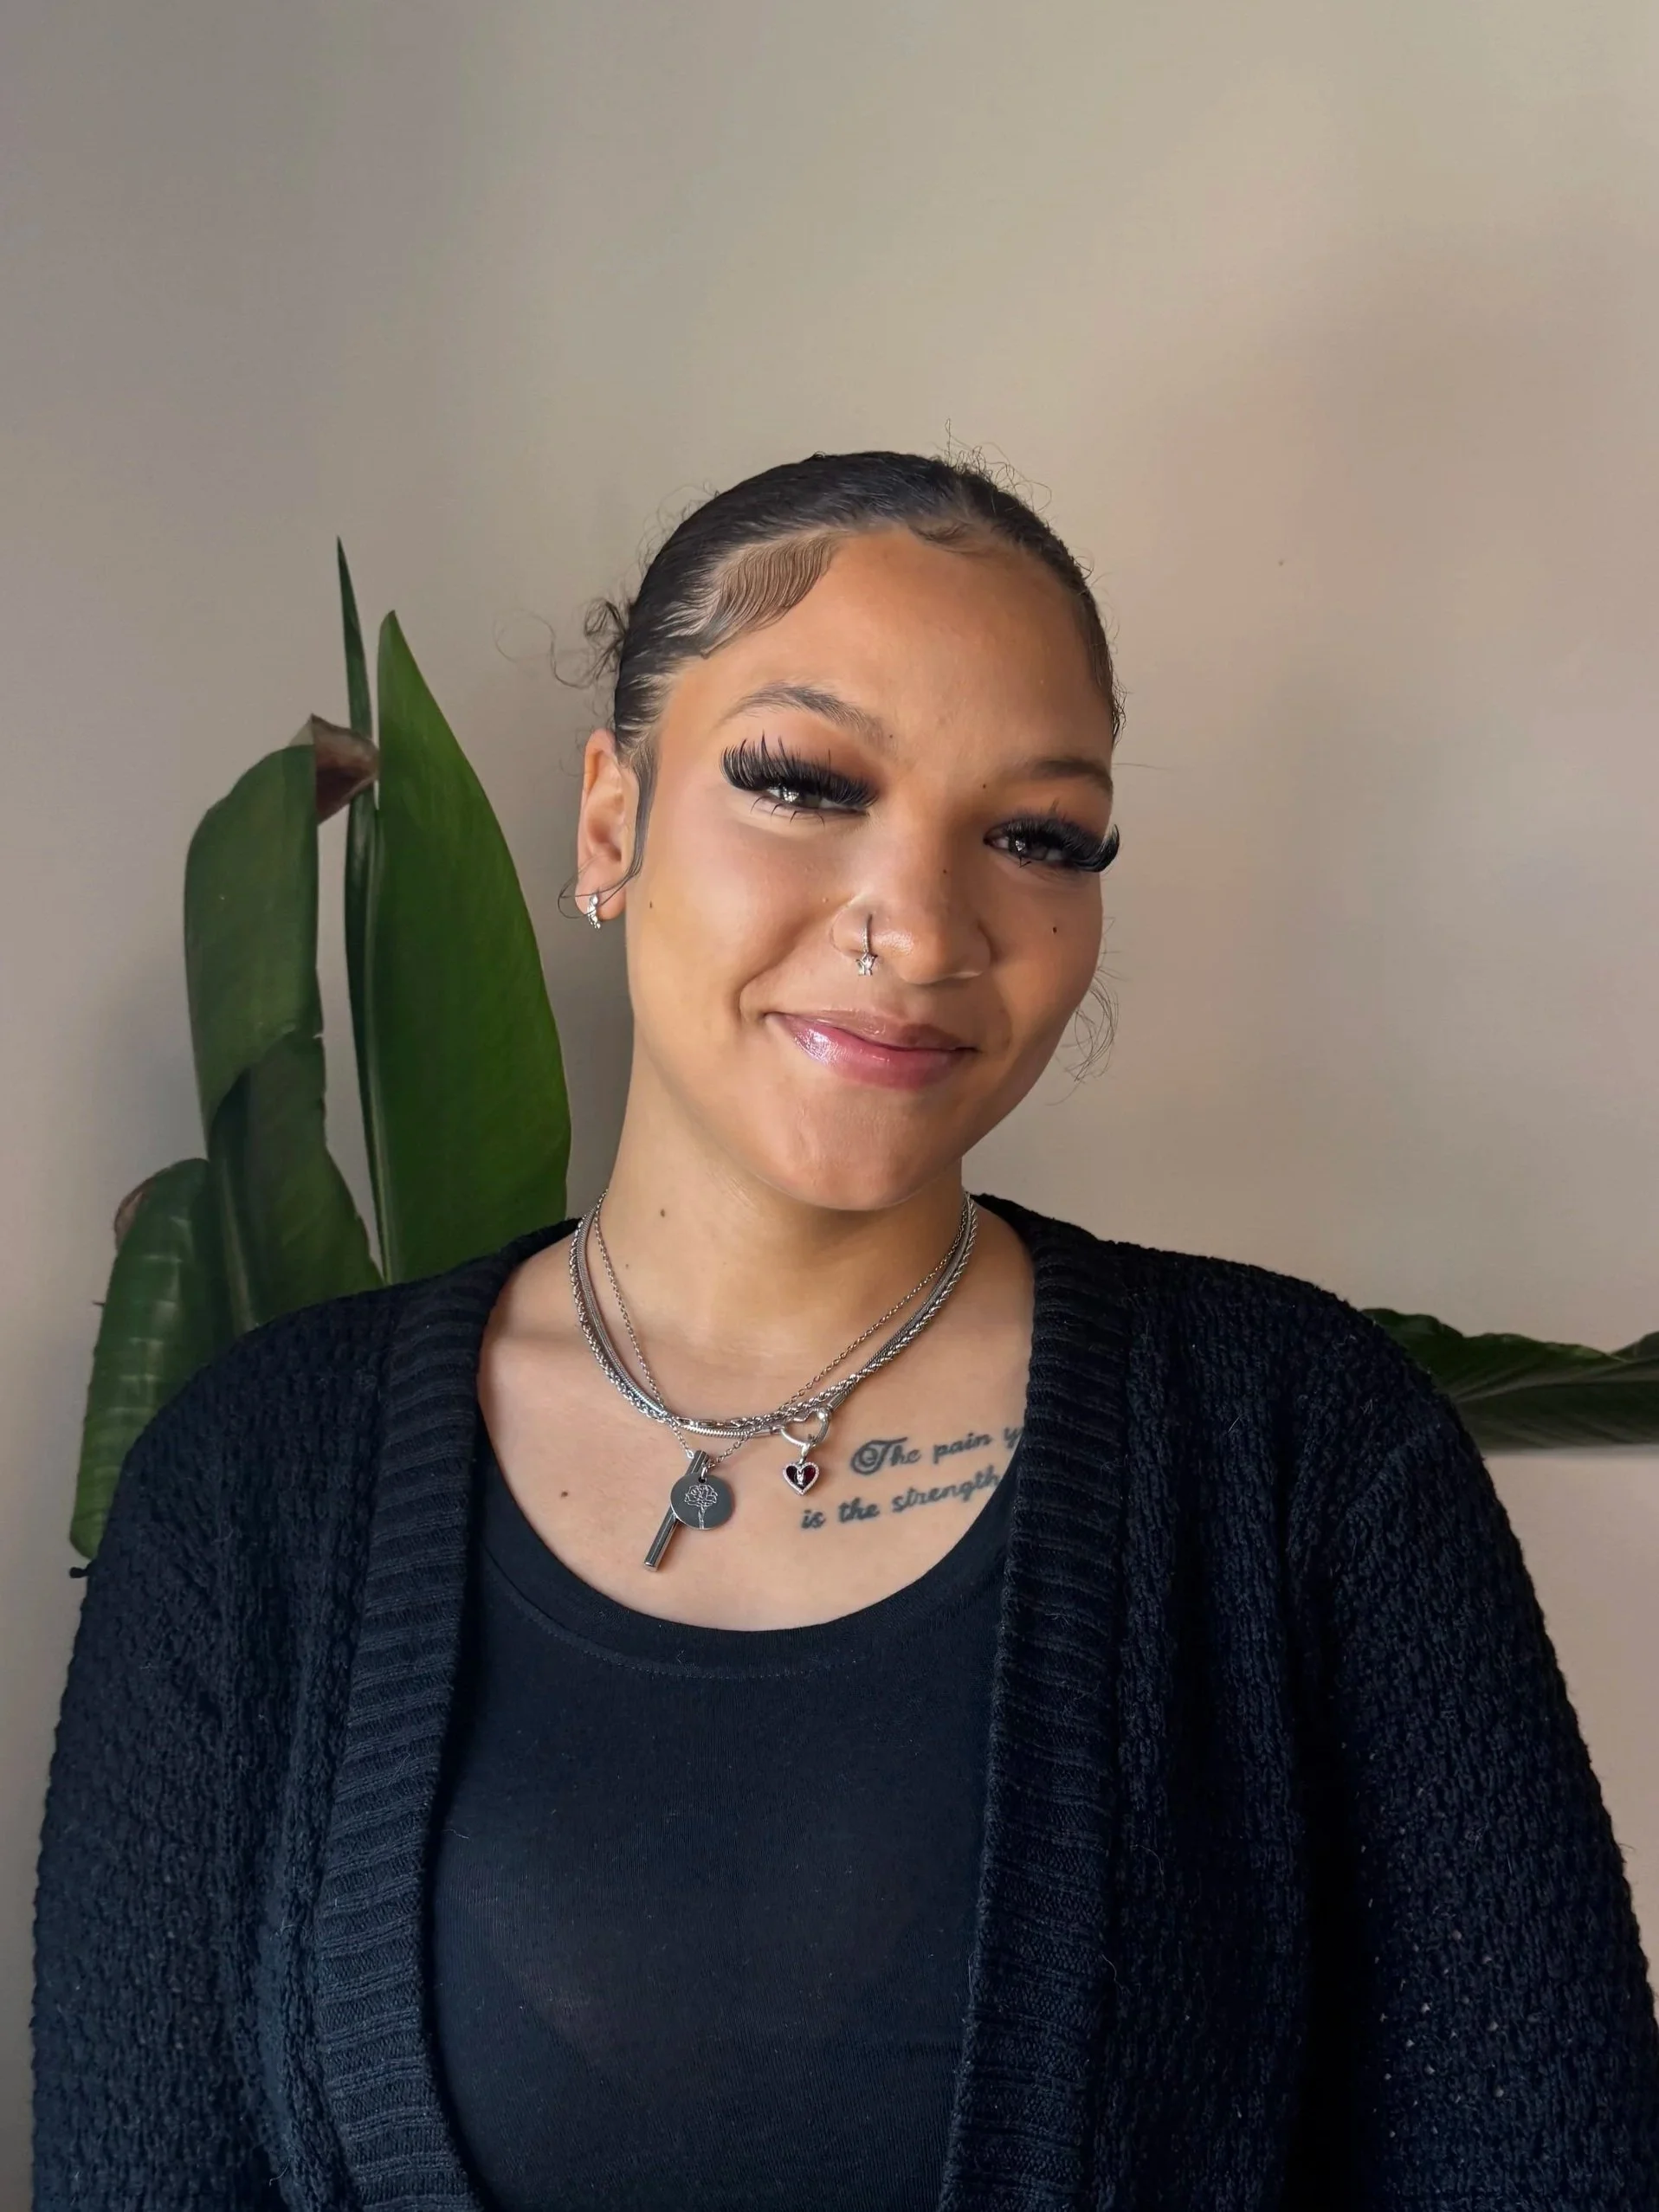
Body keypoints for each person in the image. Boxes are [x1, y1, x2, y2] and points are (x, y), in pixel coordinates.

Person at [31, 449, 1659, 2211]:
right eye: (805, 783)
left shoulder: (1303, 1452)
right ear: (609, 822)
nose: (925, 926)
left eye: (1037, 835)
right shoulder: (250, 1492)